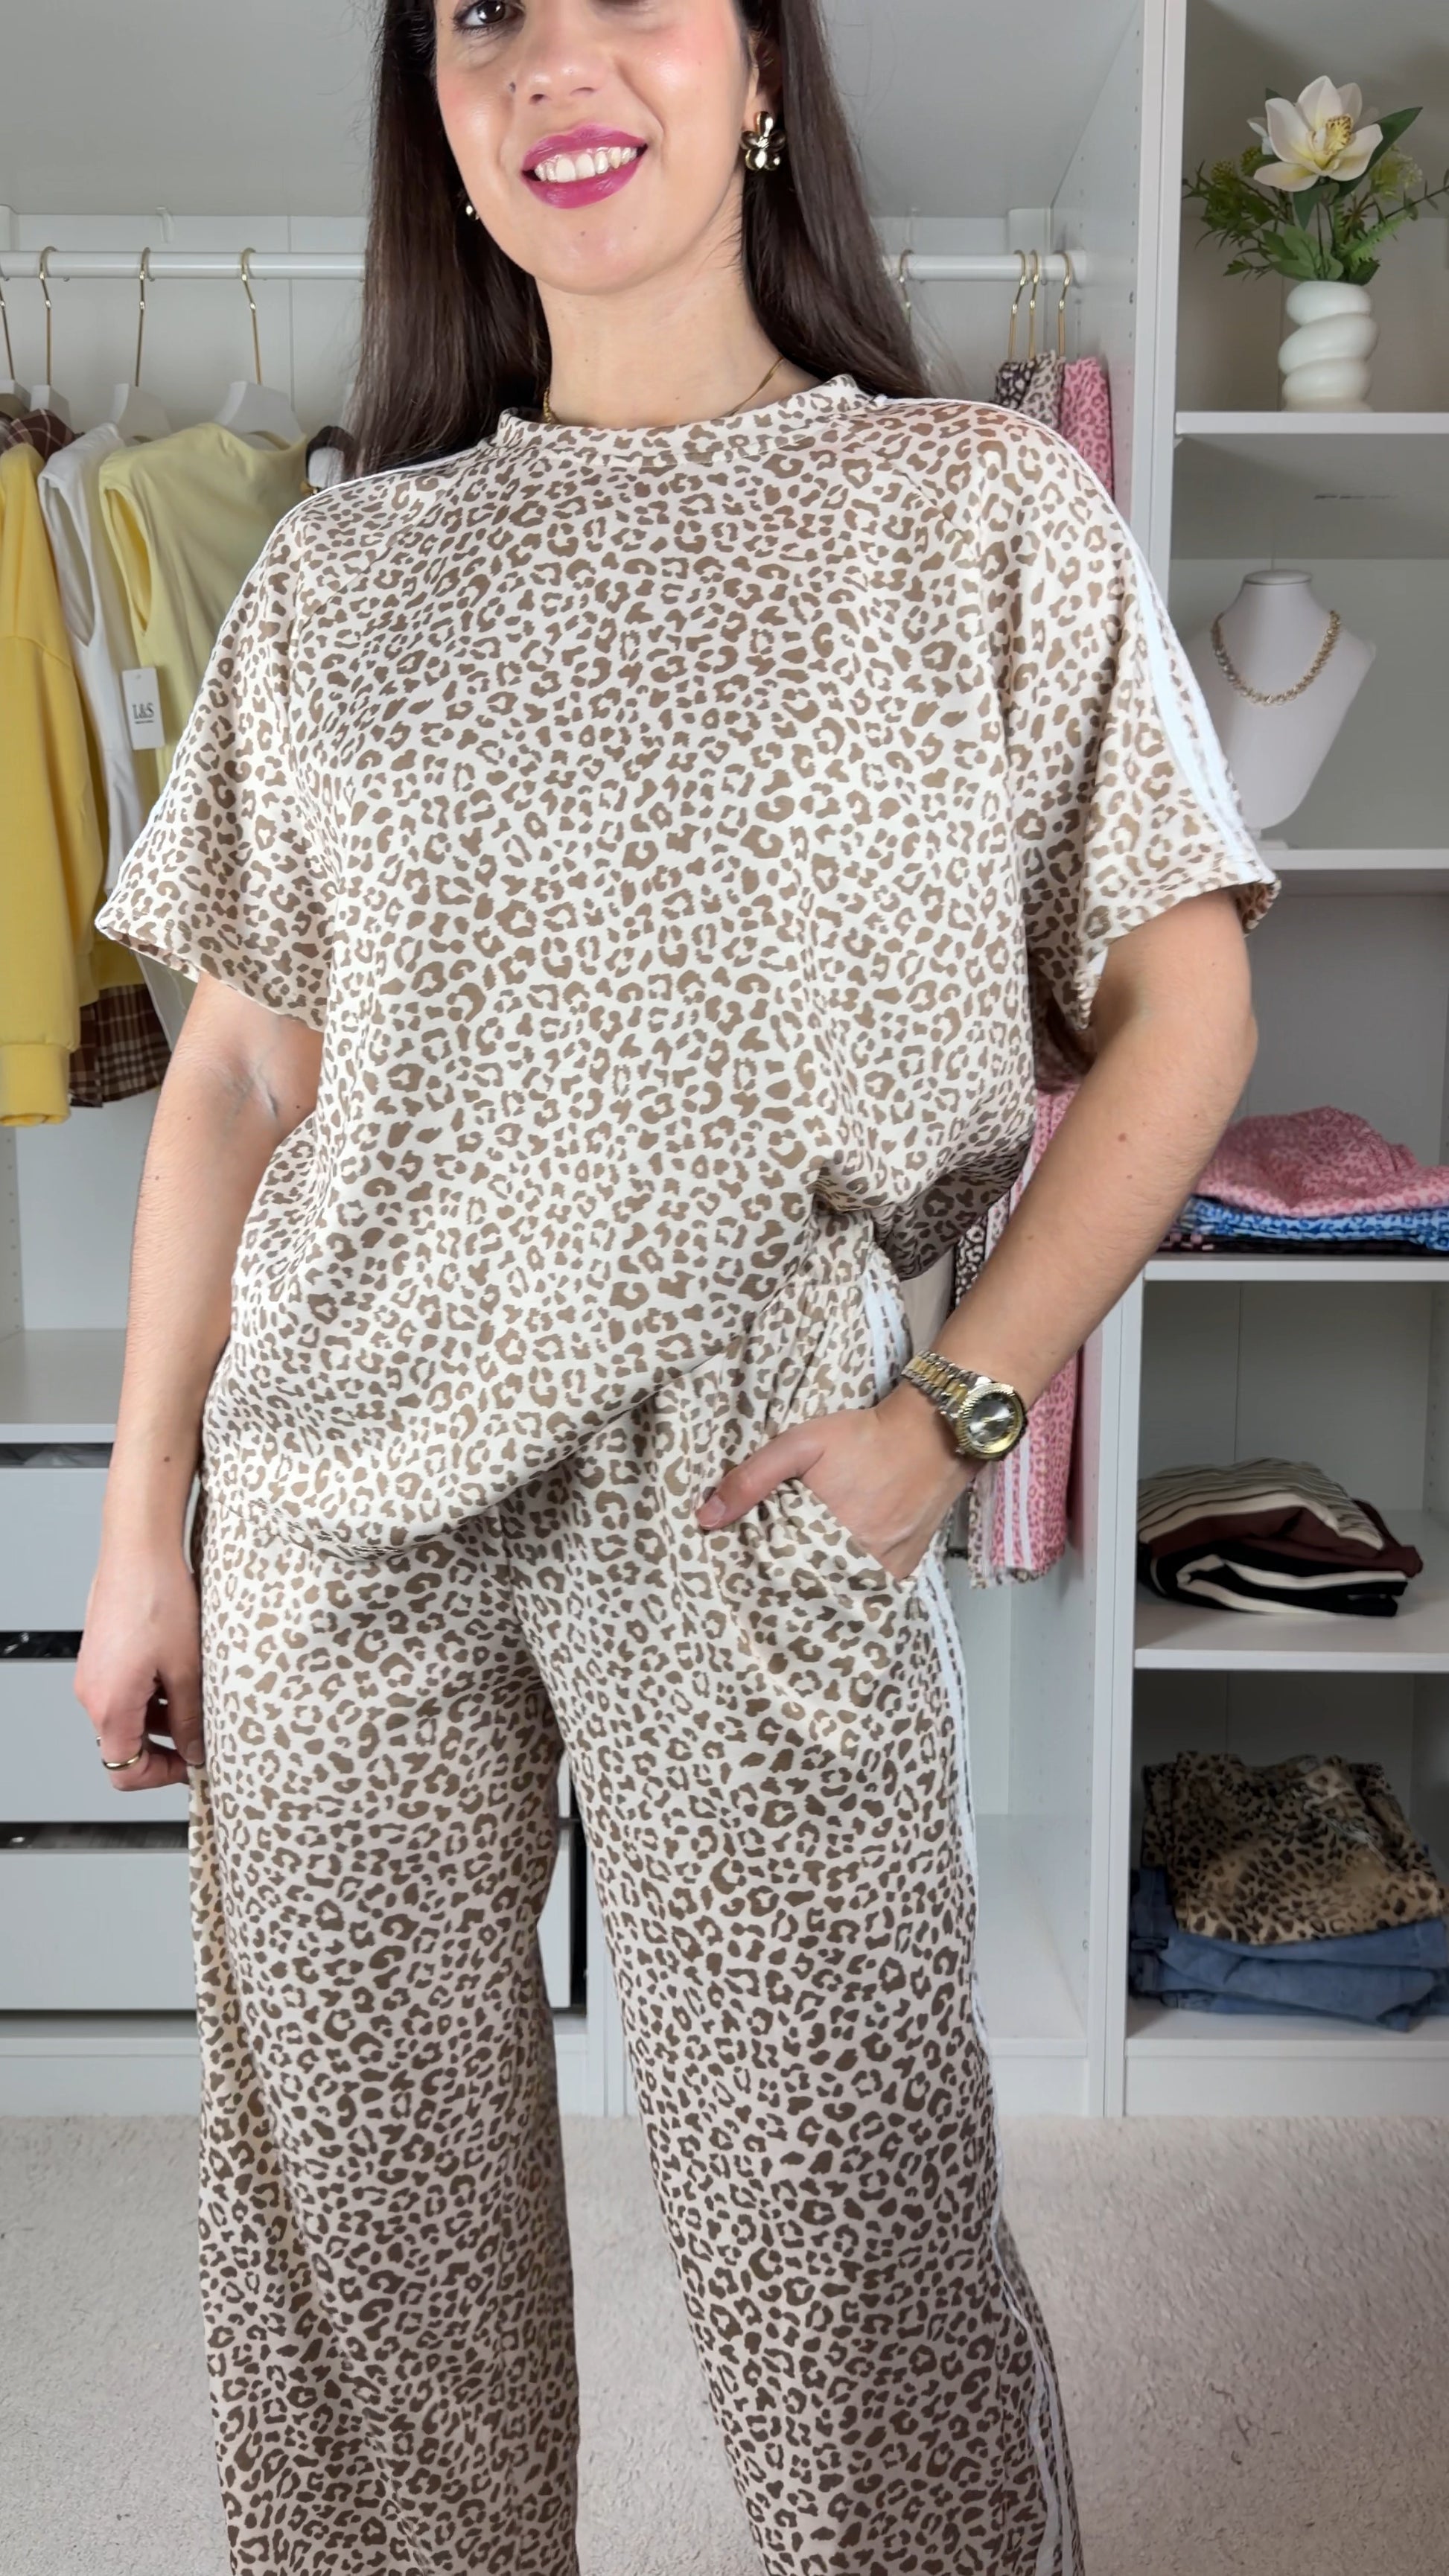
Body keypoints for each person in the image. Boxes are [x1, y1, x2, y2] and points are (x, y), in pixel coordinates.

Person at [77, 0, 1278, 2568]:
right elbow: (237, 1072)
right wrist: (140, 1526)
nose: (555, 61)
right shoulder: (340, 569)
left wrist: (953, 1414)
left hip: (755, 1476)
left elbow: (1183, 1012)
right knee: (364, 2272)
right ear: (440, 122)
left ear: (757, 76)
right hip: (336, 1504)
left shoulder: (976, 509)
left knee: (854, 2248)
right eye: (485, 15)